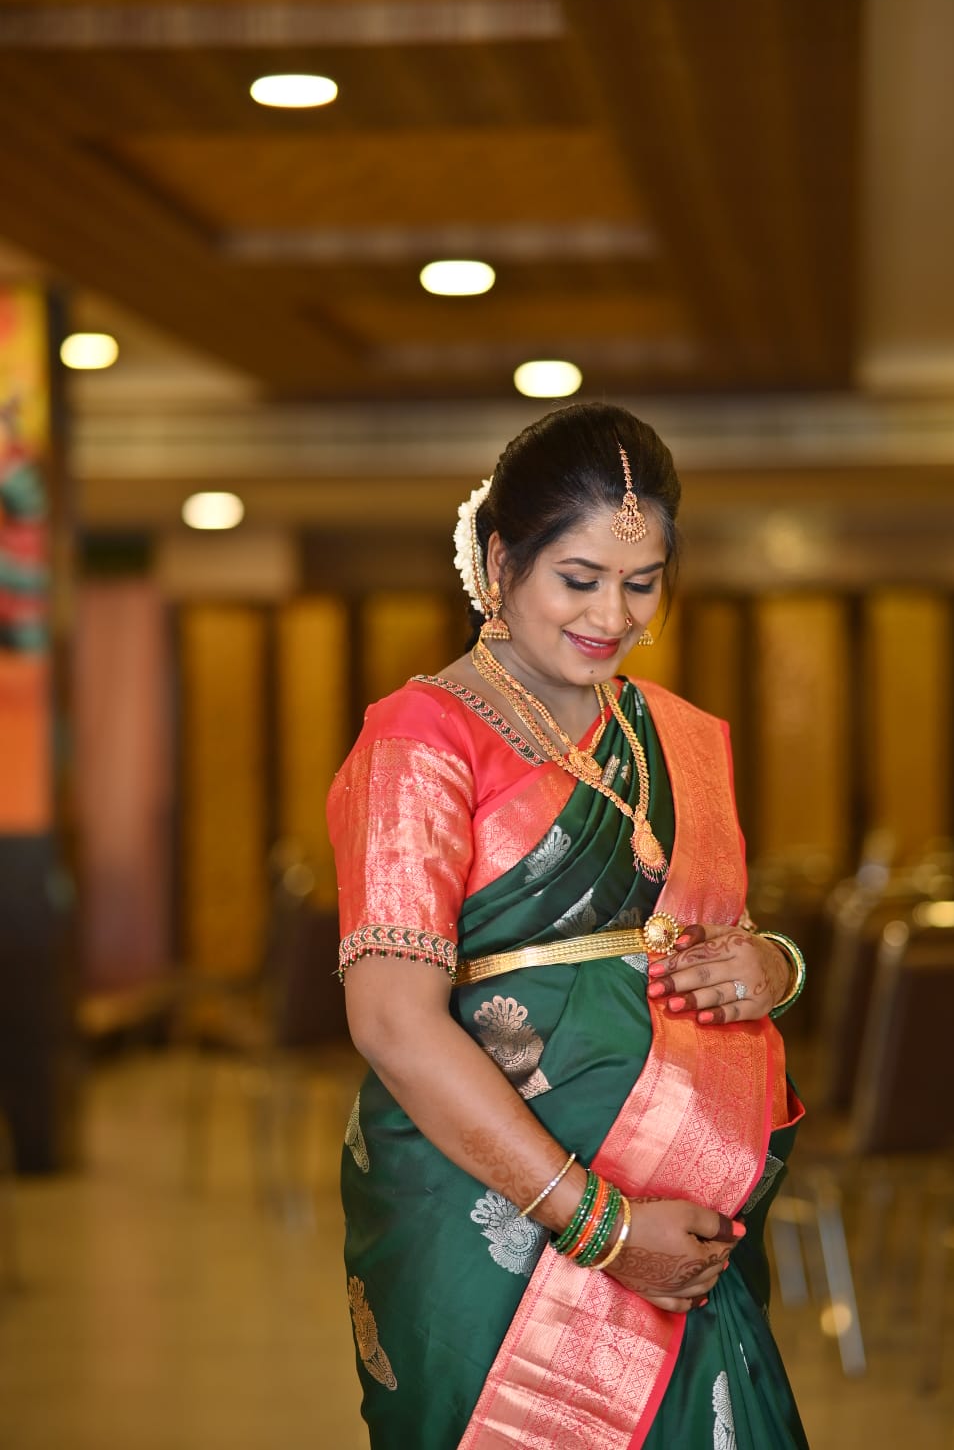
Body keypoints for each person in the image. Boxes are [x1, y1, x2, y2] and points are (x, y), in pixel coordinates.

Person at [327, 401, 809, 1449]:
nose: (612, 616)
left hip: (682, 1200)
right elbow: (394, 1024)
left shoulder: (666, 734)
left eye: (641, 585)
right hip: (489, 1221)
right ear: (501, 564)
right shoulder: (421, 735)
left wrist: (772, 966)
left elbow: (708, 933)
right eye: (577, 580)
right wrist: (601, 1227)